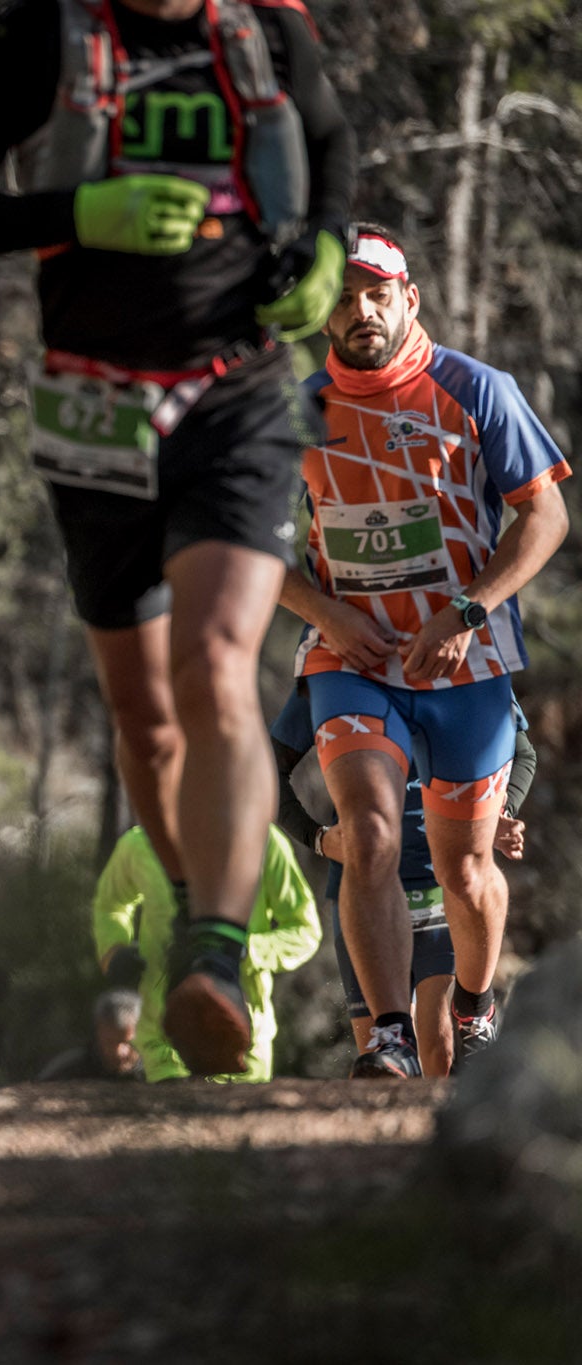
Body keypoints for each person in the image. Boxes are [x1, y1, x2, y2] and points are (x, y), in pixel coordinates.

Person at [0, 0, 356, 1075]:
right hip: (92, 407)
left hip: (235, 395)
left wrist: (327, 251)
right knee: (144, 719)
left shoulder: (263, 31)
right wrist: (80, 212)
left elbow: (330, 142)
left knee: (213, 665)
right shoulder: (42, 38)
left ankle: (211, 944)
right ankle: (186, 911)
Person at [277, 225, 571, 1078]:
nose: (360, 311)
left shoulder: (477, 390)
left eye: (377, 293)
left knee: (464, 866)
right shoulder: (296, 413)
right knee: (367, 834)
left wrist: (467, 611)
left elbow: (545, 517)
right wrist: (324, 612)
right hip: (354, 662)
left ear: (410, 299)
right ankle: (389, 1036)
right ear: (322, 314)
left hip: (464, 666)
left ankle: (475, 1009)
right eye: (342, 297)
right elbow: (245, 543)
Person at [269, 679, 537, 1077]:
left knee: (437, 1045)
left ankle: (441, 1128)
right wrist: (319, 839)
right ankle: (382, 1136)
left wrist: (497, 813)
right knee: (383, 1056)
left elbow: (521, 751)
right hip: (364, 883)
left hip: (438, 878)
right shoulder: (339, 666)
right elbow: (268, 766)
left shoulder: (459, 656)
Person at [91, 823, 319, 1082]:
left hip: (245, 1039)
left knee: (243, 1121)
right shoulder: (140, 842)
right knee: (172, 1120)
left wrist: (250, 951)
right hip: (163, 1039)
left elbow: (305, 929)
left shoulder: (265, 842)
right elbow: (110, 905)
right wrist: (114, 948)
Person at [37, 990, 146, 1081]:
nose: (119, 1052)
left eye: (128, 1043)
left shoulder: (158, 1076)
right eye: (110, 1042)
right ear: (98, 1033)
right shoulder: (65, 1074)